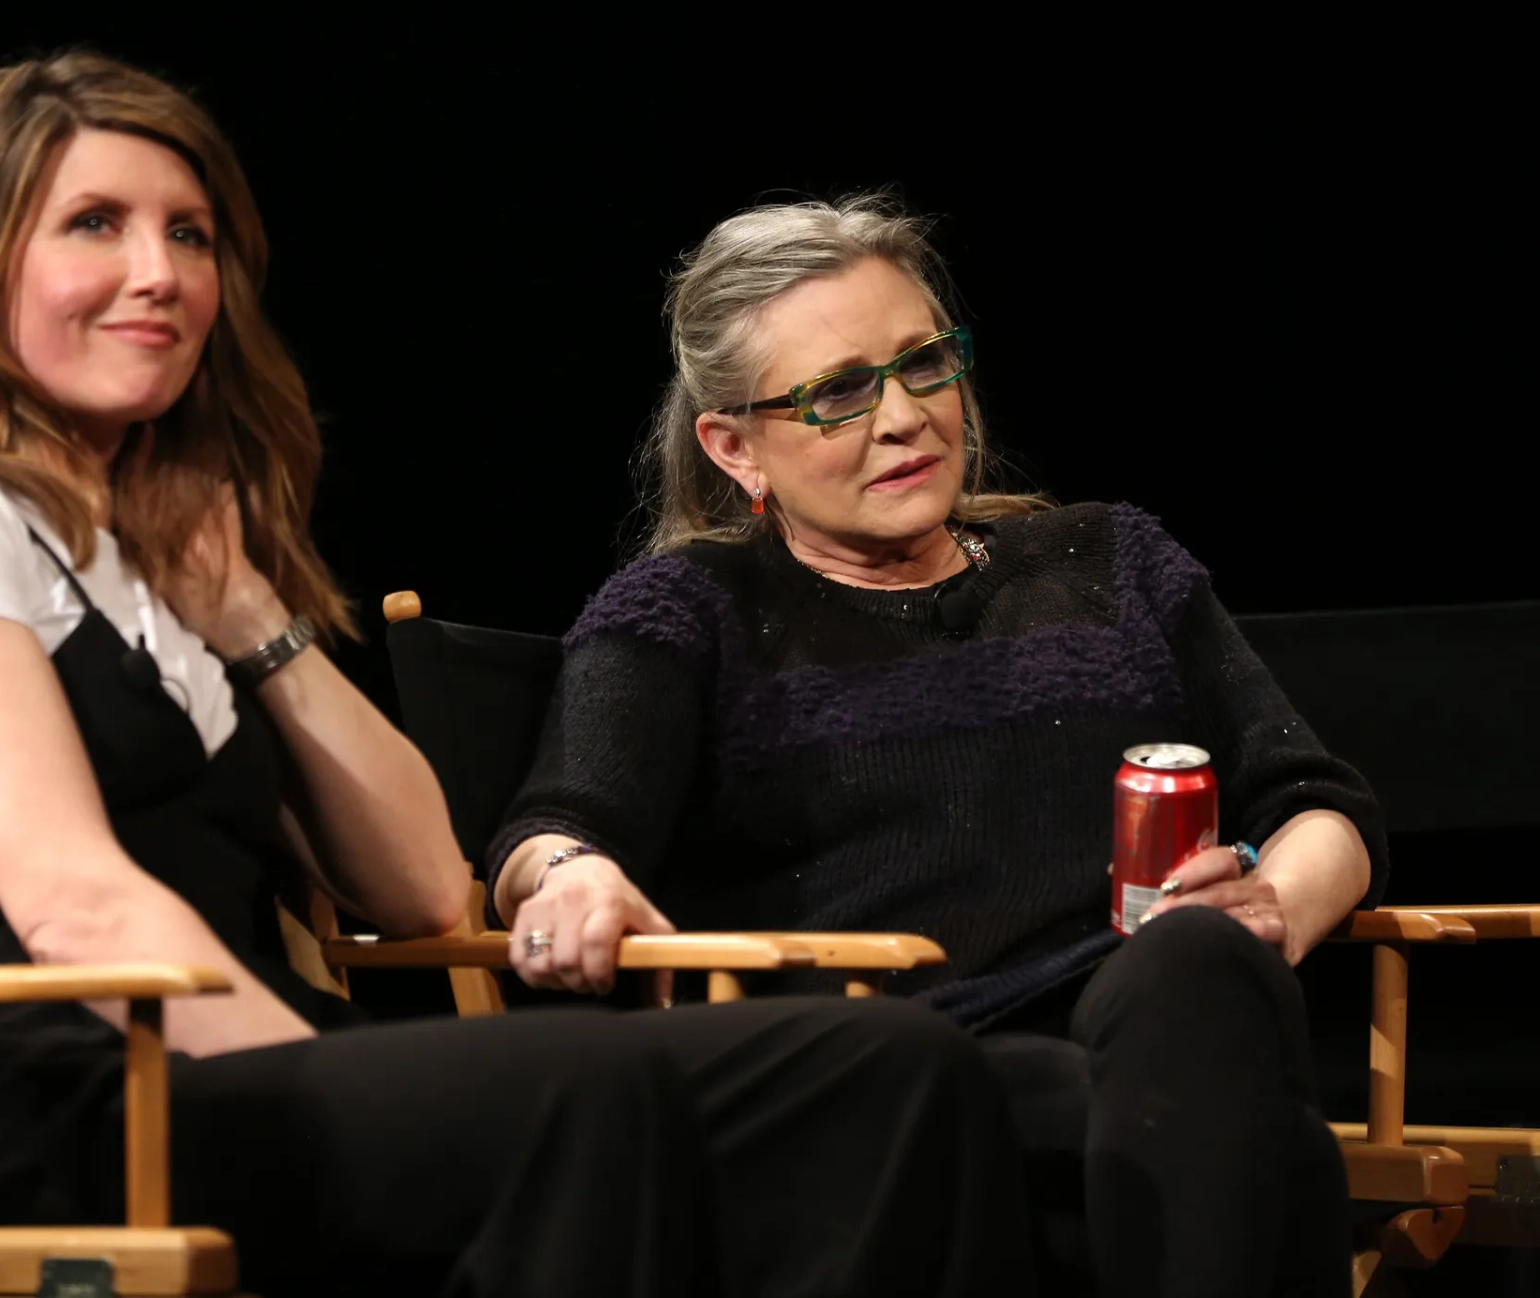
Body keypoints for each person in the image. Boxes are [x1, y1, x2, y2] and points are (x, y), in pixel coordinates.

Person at [0, 53, 1034, 1298]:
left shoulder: (151, 547)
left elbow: (427, 887)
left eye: (192, 234)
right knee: (578, 1090)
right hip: (57, 1110)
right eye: (94, 225)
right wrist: (346, 1083)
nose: (158, 273)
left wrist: (252, 613)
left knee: (884, 1060)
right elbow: (75, 909)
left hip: (235, 1081)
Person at [490, 196, 1386, 1297]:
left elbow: (1316, 800)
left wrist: (1277, 903)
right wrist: (570, 878)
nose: (906, 415)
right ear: (734, 445)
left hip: (1150, 1028)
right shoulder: (689, 610)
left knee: (1204, 969)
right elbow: (555, 828)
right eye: (839, 392)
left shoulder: (1109, 560)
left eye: (924, 363)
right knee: (1254, 1139)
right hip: (877, 1071)